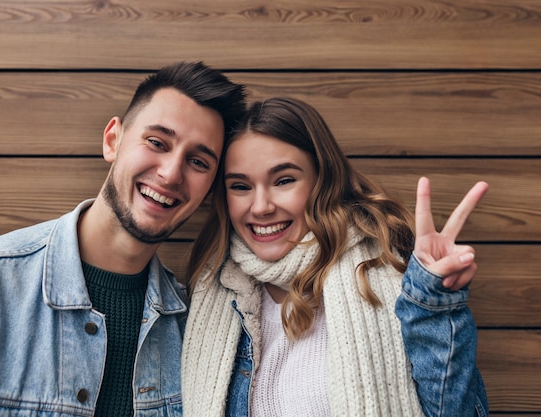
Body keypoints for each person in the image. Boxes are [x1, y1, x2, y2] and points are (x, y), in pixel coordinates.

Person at [0, 61, 246, 417]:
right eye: (156, 142)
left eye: (198, 162)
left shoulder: (194, 332)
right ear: (112, 140)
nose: (170, 173)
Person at [181, 97, 489, 417]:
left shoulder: (387, 277)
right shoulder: (213, 291)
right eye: (241, 186)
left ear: (322, 181)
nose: (260, 207)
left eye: (284, 180)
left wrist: (433, 305)